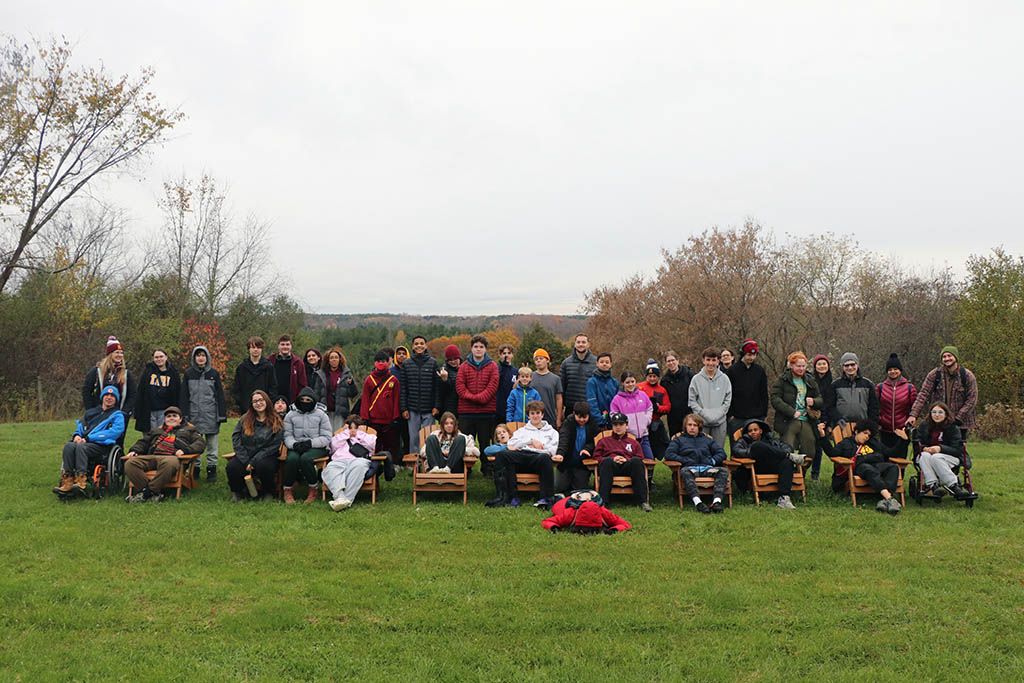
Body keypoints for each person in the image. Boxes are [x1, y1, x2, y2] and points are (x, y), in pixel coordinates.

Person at [821, 419, 908, 514]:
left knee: (893, 467)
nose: (867, 436)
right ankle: (889, 498)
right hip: (859, 468)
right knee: (869, 469)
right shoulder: (847, 443)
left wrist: (903, 440)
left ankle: (884, 501)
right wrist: (822, 436)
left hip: (875, 465)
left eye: (869, 435)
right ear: (857, 432)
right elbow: (832, 453)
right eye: (865, 433)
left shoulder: (873, 443)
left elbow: (891, 452)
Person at [54, 385, 126, 498]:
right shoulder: (91, 412)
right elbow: (81, 426)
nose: (109, 397)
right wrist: (77, 436)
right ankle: (67, 479)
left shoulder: (117, 415)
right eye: (106, 395)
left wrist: (89, 439)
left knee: (81, 448)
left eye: (112, 396)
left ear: (116, 399)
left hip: (101, 445)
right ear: (102, 397)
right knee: (69, 445)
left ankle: (81, 479)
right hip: (84, 442)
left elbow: (114, 432)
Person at [123, 406, 205, 503]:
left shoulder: (190, 430)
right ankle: (150, 492)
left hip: (172, 457)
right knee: (130, 463)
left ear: (181, 419)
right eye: (168, 416)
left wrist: (185, 450)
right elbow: (143, 442)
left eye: (174, 416)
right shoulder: (157, 431)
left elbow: (200, 444)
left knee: (168, 464)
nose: (171, 418)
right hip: (152, 456)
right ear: (165, 419)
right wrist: (135, 450)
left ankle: (147, 493)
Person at [490, 401, 561, 508]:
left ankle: (546, 498)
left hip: (539, 459)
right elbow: (511, 443)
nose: (535, 416)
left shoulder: (552, 432)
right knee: (502, 455)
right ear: (528, 416)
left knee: (545, 457)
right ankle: (508, 496)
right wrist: (530, 441)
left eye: (538, 413)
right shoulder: (522, 431)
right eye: (532, 413)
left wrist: (539, 449)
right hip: (522, 457)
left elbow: (552, 449)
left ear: (542, 414)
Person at [731, 418, 805, 510]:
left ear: (761, 431)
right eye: (750, 431)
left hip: (772, 465)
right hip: (756, 467)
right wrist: (752, 452)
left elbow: (787, 447)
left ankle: (784, 498)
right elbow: (736, 451)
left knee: (786, 462)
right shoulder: (743, 441)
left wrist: (774, 452)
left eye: (755, 430)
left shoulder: (771, 439)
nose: (753, 432)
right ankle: (789, 456)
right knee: (757, 446)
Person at [908, 346, 978, 440]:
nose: (947, 358)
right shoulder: (934, 375)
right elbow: (923, 395)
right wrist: (913, 415)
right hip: (938, 420)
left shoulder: (967, 376)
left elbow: (972, 400)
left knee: (958, 449)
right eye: (944, 357)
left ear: (956, 357)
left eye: (949, 356)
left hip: (960, 422)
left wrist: (958, 418)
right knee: (937, 447)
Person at [227, 390, 284, 502]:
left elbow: (275, 444)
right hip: (246, 453)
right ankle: (238, 492)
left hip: (266, 454)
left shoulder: (276, 420)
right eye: (255, 401)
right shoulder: (245, 419)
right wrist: (245, 460)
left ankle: (268, 492)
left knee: (265, 467)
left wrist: (253, 461)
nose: (258, 403)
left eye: (261, 400)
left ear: (266, 401)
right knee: (232, 467)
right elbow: (236, 438)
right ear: (252, 404)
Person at [665, 413, 729, 514]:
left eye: (695, 425)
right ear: (685, 426)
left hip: (707, 468)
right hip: (690, 468)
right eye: (689, 425)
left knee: (724, 471)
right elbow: (669, 454)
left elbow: (721, 453)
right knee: (685, 472)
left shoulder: (707, 440)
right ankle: (698, 503)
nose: (692, 428)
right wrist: (684, 460)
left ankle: (716, 502)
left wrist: (712, 461)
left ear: (699, 427)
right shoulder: (678, 440)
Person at [181, 345, 227, 482]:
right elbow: (184, 396)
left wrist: (221, 415)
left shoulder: (214, 374)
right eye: (198, 355)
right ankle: (196, 469)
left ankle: (211, 470)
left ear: (207, 358)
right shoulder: (189, 374)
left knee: (212, 445)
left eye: (203, 355)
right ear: (194, 358)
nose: (200, 358)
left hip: (211, 415)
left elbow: (219, 396)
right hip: (194, 415)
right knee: (195, 444)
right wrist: (185, 414)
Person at [913, 402, 974, 500]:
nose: (937, 415)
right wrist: (924, 448)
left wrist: (940, 448)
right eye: (934, 412)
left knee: (936, 457)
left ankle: (953, 485)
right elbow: (917, 442)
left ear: (946, 414)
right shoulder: (924, 425)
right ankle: (933, 485)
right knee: (924, 456)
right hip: (927, 456)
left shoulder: (953, 427)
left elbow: (957, 450)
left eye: (940, 412)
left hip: (951, 457)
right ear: (930, 413)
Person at [282, 387, 332, 504]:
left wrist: (311, 443)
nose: (305, 402)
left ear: (313, 401)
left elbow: (327, 437)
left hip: (316, 446)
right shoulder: (290, 415)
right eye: (302, 400)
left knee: (306, 459)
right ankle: (287, 489)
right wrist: (294, 445)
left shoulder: (321, 415)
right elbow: (287, 435)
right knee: (292, 459)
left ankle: (313, 488)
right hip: (296, 445)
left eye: (308, 400)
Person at [592, 412, 651, 511]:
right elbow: (596, 456)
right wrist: (612, 459)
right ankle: (603, 501)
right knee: (606, 462)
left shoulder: (633, 443)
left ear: (626, 425)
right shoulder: (604, 441)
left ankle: (643, 501)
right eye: (615, 424)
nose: (618, 427)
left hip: (628, 467)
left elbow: (640, 457)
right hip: (611, 467)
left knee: (636, 461)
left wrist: (626, 459)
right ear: (612, 426)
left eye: (621, 424)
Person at [770, 351, 820, 456]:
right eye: (798, 366)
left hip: (806, 419)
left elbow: (820, 398)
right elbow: (775, 399)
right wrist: (792, 412)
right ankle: (788, 470)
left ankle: (801, 470)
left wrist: (814, 401)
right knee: (787, 448)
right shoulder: (782, 380)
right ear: (791, 365)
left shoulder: (810, 380)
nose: (801, 369)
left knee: (810, 449)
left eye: (803, 366)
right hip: (788, 419)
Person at [322, 416, 377, 511]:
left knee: (359, 467)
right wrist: (346, 433)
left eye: (355, 427)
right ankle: (341, 497)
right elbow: (333, 446)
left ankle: (346, 499)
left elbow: (372, 445)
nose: (352, 430)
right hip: (339, 461)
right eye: (350, 428)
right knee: (330, 469)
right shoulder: (341, 436)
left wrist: (359, 434)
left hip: (358, 460)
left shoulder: (366, 436)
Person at [455, 335, 499, 451]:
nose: (478, 349)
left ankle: (487, 468)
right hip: (466, 413)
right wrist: (473, 397)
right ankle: (466, 469)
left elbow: (492, 387)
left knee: (485, 443)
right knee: (465, 444)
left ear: (485, 349)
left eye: (481, 347)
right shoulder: (464, 366)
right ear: (471, 348)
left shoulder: (493, 366)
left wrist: (479, 398)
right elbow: (460, 387)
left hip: (486, 413)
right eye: (476, 346)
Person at [400, 335, 439, 452]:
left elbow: (437, 387)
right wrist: (404, 408)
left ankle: (428, 464)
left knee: (429, 438)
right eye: (416, 344)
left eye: (421, 343)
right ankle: (415, 466)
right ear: (413, 346)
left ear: (425, 346)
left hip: (429, 408)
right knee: (414, 439)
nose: (419, 346)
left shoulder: (433, 363)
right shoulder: (407, 364)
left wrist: (437, 406)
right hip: (412, 409)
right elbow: (403, 389)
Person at [688, 347, 732, 447]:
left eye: (714, 360)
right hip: (701, 423)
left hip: (719, 423)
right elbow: (692, 401)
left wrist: (717, 415)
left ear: (718, 361)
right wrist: (703, 414)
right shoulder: (696, 379)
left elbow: (727, 401)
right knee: (701, 452)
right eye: (708, 360)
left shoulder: (725, 379)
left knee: (718, 453)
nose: (711, 363)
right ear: (703, 360)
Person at [726, 339, 769, 441]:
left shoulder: (760, 371)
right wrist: (730, 414)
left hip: (756, 416)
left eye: (754, 355)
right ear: (743, 354)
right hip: (737, 416)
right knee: (737, 446)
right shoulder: (732, 371)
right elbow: (727, 394)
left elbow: (764, 394)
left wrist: (763, 413)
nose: (751, 358)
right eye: (749, 355)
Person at [361, 350, 401, 457]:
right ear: (374, 363)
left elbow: (396, 399)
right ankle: (375, 466)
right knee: (375, 444)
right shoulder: (369, 380)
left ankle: (391, 464)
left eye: (383, 361)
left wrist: (396, 417)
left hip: (389, 419)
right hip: (373, 419)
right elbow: (365, 399)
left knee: (390, 443)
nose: (381, 363)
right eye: (378, 361)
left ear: (388, 362)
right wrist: (365, 417)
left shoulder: (393, 380)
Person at [82, 335, 135, 417]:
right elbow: (86, 391)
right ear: (110, 354)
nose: (120, 355)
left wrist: (125, 412)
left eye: (121, 353)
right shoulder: (97, 371)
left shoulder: (126, 373)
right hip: (98, 414)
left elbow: (132, 395)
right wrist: (91, 410)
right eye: (117, 352)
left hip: (119, 414)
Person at [877, 353, 917, 458]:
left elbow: (914, 408)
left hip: (902, 431)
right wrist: (879, 420)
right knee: (885, 460)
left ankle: (900, 475)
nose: (893, 372)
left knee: (900, 460)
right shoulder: (880, 387)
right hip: (885, 430)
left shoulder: (909, 388)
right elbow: (875, 407)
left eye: (895, 369)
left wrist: (909, 425)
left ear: (900, 370)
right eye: (890, 369)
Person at [555, 401, 600, 495]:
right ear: (574, 414)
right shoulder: (568, 423)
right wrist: (560, 454)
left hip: (582, 463)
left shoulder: (593, 424)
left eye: (585, 417)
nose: (582, 420)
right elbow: (564, 438)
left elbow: (595, 441)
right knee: (559, 487)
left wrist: (587, 449)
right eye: (579, 417)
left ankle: (576, 478)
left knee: (580, 489)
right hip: (567, 462)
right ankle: (568, 477)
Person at [609, 371, 655, 461]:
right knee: (631, 461)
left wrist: (647, 420)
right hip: (628, 437)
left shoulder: (643, 395)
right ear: (622, 383)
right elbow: (613, 415)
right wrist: (624, 427)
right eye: (627, 382)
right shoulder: (617, 399)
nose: (630, 384)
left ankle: (648, 475)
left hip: (643, 436)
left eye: (632, 381)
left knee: (649, 459)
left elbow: (649, 408)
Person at [134, 348, 181, 434]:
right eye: (156, 357)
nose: (159, 359)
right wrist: (137, 411)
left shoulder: (173, 373)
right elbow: (141, 391)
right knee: (149, 437)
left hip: (166, 411)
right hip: (149, 411)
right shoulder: (148, 372)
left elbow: (177, 394)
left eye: (161, 356)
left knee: (164, 436)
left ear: (166, 357)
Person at [541, 490, 631, 534]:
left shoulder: (604, 512)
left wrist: (614, 530)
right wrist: (554, 527)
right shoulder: (570, 514)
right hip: (563, 503)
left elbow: (625, 524)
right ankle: (559, 497)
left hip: (586, 496)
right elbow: (547, 521)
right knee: (556, 505)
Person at [312, 346, 358, 431]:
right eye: (331, 358)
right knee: (326, 434)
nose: (334, 360)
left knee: (338, 435)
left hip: (340, 412)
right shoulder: (321, 374)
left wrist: (351, 384)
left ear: (340, 359)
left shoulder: (346, 374)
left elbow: (353, 394)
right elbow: (316, 393)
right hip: (324, 411)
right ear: (328, 360)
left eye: (336, 357)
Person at [828, 352, 879, 426]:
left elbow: (874, 408)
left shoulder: (868, 384)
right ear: (843, 367)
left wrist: (872, 424)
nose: (850, 368)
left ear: (857, 365)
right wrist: (837, 419)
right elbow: (830, 406)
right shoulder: (835, 385)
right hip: (842, 426)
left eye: (852, 364)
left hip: (862, 426)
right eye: (846, 365)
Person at [233, 336, 278, 413]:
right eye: (253, 347)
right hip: (246, 407)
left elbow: (273, 387)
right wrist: (241, 403)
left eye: (258, 347)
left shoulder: (268, 367)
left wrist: (268, 402)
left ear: (262, 349)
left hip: (265, 407)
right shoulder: (241, 368)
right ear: (249, 349)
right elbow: (237, 388)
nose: (255, 349)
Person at [638, 359, 671, 461]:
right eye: (650, 376)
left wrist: (658, 408)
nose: (652, 378)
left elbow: (668, 407)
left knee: (657, 447)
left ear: (658, 377)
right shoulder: (639, 387)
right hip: (641, 422)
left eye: (654, 376)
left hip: (655, 422)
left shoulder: (662, 390)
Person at [809, 354, 835, 481]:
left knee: (820, 445)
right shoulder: (810, 380)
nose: (822, 366)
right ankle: (800, 472)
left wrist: (829, 423)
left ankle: (815, 473)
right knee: (809, 444)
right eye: (819, 364)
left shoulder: (833, 382)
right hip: (812, 416)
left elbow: (832, 404)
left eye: (824, 364)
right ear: (815, 366)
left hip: (826, 417)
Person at [559, 333, 597, 419]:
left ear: (588, 345)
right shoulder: (566, 363)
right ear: (575, 344)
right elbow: (561, 388)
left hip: (590, 408)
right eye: (578, 342)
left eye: (583, 342)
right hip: (570, 409)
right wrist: (560, 409)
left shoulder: (596, 363)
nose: (581, 344)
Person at [662, 351, 695, 438]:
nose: (671, 363)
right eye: (668, 361)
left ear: (678, 360)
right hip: (673, 417)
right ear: (665, 363)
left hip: (689, 413)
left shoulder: (689, 374)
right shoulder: (665, 380)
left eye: (673, 360)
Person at [268, 334, 307, 405]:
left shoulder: (298, 363)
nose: (285, 347)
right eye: (282, 344)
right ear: (278, 346)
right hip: (272, 400)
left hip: (292, 401)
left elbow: (302, 384)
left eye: (287, 344)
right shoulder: (270, 361)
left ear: (291, 346)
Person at [530, 348, 564, 428]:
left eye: (541, 358)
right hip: (533, 417)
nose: (538, 361)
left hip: (550, 417)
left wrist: (558, 418)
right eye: (536, 359)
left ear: (547, 360)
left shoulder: (555, 379)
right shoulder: (530, 377)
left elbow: (559, 399)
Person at [586, 352, 619, 429]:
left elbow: (618, 401)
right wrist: (600, 419)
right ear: (597, 364)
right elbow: (592, 402)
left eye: (607, 362)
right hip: (598, 422)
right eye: (602, 362)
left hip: (613, 421)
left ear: (611, 364)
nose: (604, 364)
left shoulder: (614, 382)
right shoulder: (592, 382)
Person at [495, 343, 517, 426]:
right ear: (500, 355)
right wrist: (503, 365)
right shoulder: (496, 369)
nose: (506, 355)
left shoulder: (516, 371)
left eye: (509, 353)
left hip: (511, 408)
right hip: (499, 408)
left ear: (512, 355)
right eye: (504, 353)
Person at [437, 345, 462, 417]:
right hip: (448, 409)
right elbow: (441, 392)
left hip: (462, 408)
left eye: (455, 359)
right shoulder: (443, 371)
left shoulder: (464, 369)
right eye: (450, 360)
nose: (453, 361)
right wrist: (444, 380)